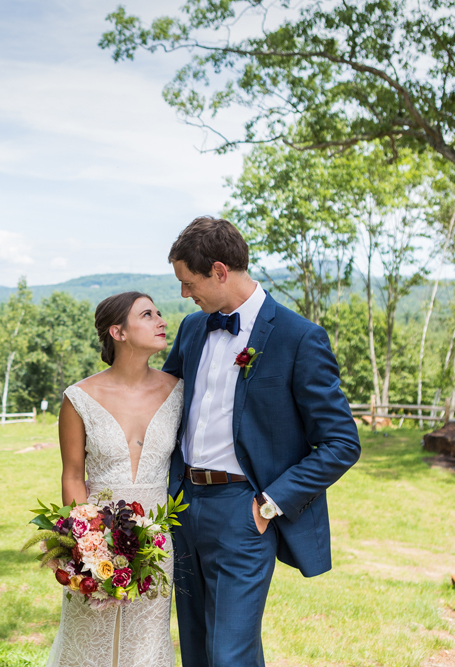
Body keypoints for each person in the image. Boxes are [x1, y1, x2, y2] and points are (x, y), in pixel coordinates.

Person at [162, 216, 361, 667]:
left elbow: (342, 442)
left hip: (244, 512)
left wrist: (270, 502)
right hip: (183, 508)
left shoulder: (298, 337)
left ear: (218, 271)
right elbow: (162, 404)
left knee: (228, 654)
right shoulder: (193, 330)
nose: (183, 294)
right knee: (195, 650)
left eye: (188, 282)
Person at [46, 291, 182, 667]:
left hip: (156, 537)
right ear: (118, 332)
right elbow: (72, 475)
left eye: (158, 313)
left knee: (147, 641)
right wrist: (87, 547)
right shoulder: (79, 397)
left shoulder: (178, 391)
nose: (161, 321)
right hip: (95, 537)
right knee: (88, 637)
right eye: (148, 315)